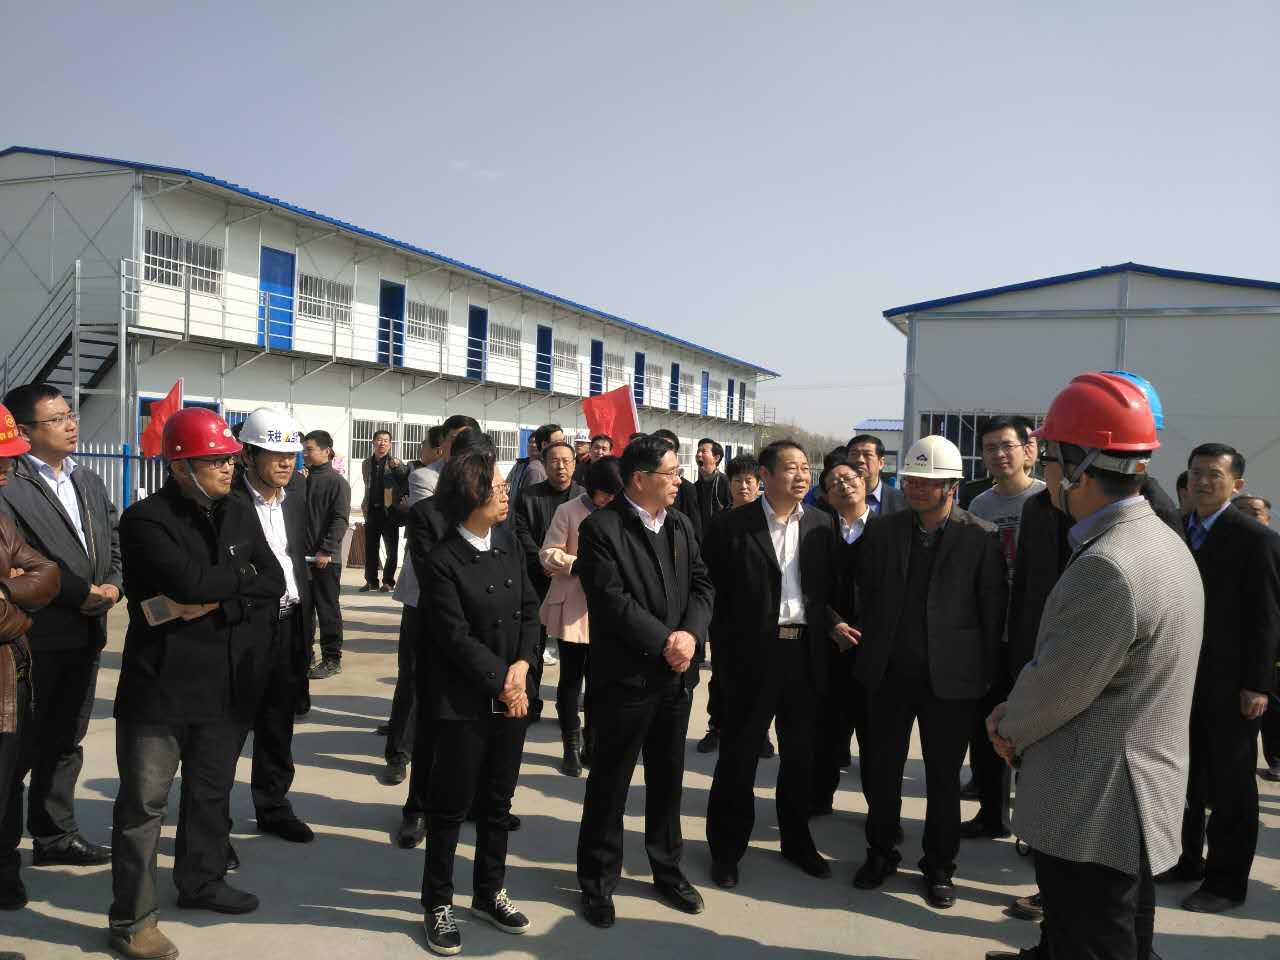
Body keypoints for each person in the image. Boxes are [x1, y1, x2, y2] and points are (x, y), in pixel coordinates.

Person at [986, 372, 1203, 960]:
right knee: (1116, 930)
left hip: (1096, 801)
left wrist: (1008, 726)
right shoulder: (1158, 539)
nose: (1047, 471)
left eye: (1051, 458)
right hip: (1131, 792)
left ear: (1081, 468)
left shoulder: (1110, 564)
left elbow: (1061, 685)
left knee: (1093, 937)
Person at [109, 408, 284, 959]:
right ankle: (134, 920)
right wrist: (227, 588)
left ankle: (202, 880)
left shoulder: (239, 511)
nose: (229, 468)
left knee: (211, 793)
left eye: (230, 458)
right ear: (180, 467)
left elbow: (273, 579)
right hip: (160, 687)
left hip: (226, 684)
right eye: (214, 461)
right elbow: (186, 582)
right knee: (144, 806)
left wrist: (211, 600)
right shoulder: (145, 520)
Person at [852, 435, 1006, 909]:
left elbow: (991, 611)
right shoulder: (883, 531)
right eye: (912, 480)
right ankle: (880, 853)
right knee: (882, 772)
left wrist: (987, 678)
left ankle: (939, 866)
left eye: (928, 482)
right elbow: (865, 593)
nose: (917, 488)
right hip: (889, 675)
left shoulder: (980, 537)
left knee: (943, 779)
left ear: (952, 486)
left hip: (951, 681)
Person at [574, 434, 714, 928]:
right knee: (610, 783)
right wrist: (665, 641)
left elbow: (702, 584)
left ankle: (667, 869)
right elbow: (611, 601)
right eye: (670, 473)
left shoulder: (679, 523)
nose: (678, 481)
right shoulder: (601, 528)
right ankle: (597, 882)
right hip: (626, 679)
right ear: (639, 479)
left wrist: (690, 635)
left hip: (676, 677)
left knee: (667, 780)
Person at [703, 440, 851, 888]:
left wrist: (832, 623)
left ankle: (796, 839)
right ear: (765, 476)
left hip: (805, 653)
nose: (801, 475)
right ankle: (727, 849)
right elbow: (711, 594)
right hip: (751, 656)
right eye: (790, 468)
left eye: (805, 467)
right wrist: (724, 661)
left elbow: (825, 590)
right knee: (739, 755)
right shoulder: (731, 526)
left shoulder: (822, 524)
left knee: (801, 755)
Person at [418, 442, 538, 956]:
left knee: (498, 802)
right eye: (497, 488)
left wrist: (523, 666)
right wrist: (504, 681)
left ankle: (489, 891)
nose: (506, 494)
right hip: (464, 700)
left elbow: (529, 609)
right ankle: (437, 902)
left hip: (513, 694)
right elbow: (454, 636)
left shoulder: (507, 542)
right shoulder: (442, 559)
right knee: (449, 808)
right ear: (471, 495)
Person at [0, 384, 119, 874]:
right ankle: (5, 855)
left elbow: (112, 537)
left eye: (70, 415)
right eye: (57, 419)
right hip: (33, 636)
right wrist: (79, 592)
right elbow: (23, 564)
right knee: (17, 749)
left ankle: (56, 835)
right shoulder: (9, 484)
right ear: (25, 431)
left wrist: (113, 584)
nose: (71, 425)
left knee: (67, 739)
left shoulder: (86, 478)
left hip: (87, 631)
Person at [1156, 443, 1280, 915]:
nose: (1203, 482)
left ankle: (1226, 884)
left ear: (1237, 484)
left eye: (1214, 474)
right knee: (1182, 777)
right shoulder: (1175, 529)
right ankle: (1184, 860)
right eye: (1196, 473)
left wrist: (1258, 684)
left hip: (1232, 686)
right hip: (1178, 678)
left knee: (1231, 788)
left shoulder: (1256, 539)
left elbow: (1267, 619)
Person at [397, 428, 512, 850]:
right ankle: (418, 809)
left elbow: (513, 564)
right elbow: (435, 578)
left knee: (486, 726)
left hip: (490, 635)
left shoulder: (500, 511)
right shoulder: (427, 515)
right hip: (440, 634)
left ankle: (478, 803)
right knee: (433, 727)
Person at [229, 408, 315, 847]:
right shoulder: (227, 502)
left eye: (291, 455)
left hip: (289, 624)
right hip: (242, 630)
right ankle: (210, 823)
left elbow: (296, 559)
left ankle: (273, 806)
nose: (286, 463)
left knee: (278, 724)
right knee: (227, 728)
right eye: (275, 454)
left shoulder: (295, 496)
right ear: (247, 455)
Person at [383, 416, 482, 791]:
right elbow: (443, 534)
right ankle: (398, 753)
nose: (460, 447)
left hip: (470, 597)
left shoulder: (489, 480)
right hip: (424, 595)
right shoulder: (425, 478)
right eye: (455, 440)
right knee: (412, 676)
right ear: (444, 444)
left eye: (468, 439)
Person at [960, 416, 1045, 840]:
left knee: (1035, 731)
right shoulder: (979, 506)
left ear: (1028, 450)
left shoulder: (1048, 500)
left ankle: (1036, 825)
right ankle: (992, 814)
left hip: (1036, 636)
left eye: (1006, 445)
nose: (998, 454)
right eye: (990, 447)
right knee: (987, 729)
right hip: (992, 636)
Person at [0, 406, 62, 916]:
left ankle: (4, 875)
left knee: (9, 784)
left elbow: (48, 573)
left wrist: (5, 591)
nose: (8, 468)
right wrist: (19, 604)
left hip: (11, 678)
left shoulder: (1, 519)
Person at [539, 456, 624, 776]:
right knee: (571, 681)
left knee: (601, 684)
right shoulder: (568, 510)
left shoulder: (621, 512)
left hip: (609, 610)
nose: (610, 500)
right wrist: (579, 565)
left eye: (615, 494)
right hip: (573, 608)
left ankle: (593, 743)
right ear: (592, 489)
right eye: (606, 494)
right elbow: (548, 553)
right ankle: (570, 746)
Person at [812, 456, 872, 816]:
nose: (843, 485)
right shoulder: (818, 532)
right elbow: (807, 586)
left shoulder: (888, 530)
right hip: (829, 645)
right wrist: (831, 623)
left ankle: (882, 816)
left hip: (874, 648)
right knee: (827, 732)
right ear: (826, 496)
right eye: (834, 483)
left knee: (876, 740)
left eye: (849, 478)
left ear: (864, 482)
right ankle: (819, 799)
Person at [513, 440, 583, 720]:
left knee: (573, 651)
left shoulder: (584, 497)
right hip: (537, 579)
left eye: (566, 461)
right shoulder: (528, 496)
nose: (561, 466)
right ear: (544, 464)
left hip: (573, 584)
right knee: (533, 643)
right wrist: (541, 562)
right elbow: (520, 532)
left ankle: (568, 708)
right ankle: (531, 702)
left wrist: (565, 565)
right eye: (554, 461)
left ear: (575, 464)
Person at [698, 453, 761, 755]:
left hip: (761, 614)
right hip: (725, 614)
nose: (743, 487)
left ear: (759, 484)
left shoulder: (769, 522)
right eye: (737, 481)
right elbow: (706, 567)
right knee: (722, 675)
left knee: (758, 677)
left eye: (749, 481)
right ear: (730, 484)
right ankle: (717, 727)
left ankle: (758, 732)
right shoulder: (719, 522)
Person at [302, 430, 351, 681]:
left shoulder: (337, 483)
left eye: (309, 449)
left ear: (326, 451)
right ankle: (305, 656)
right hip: (302, 558)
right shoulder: (301, 480)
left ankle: (332, 658)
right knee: (304, 610)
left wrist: (326, 549)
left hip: (325, 560)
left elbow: (340, 519)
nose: (305, 453)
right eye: (304, 449)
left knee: (327, 609)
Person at [360, 429, 408, 592]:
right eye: (379, 440)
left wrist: (398, 467)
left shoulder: (395, 462)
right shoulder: (366, 463)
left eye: (386, 440)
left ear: (390, 444)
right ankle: (371, 581)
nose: (382, 443)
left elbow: (404, 479)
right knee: (370, 549)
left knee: (391, 550)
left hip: (389, 512)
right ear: (373, 442)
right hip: (371, 511)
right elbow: (367, 485)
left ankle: (388, 581)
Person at [651, 430, 703, 541]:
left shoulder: (687, 488)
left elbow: (696, 531)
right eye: (661, 450)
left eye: (670, 449)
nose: (665, 454)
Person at [845, 434, 906, 515]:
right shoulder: (835, 498)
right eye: (854, 454)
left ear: (881, 463)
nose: (860, 460)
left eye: (867, 455)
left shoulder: (902, 501)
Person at [693, 438, 731, 533]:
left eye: (703, 451)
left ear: (716, 458)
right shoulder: (694, 487)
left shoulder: (727, 483)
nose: (698, 455)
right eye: (698, 451)